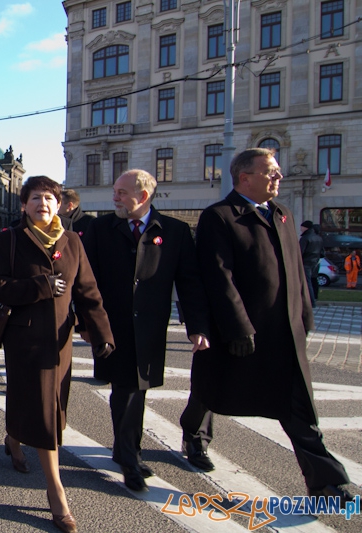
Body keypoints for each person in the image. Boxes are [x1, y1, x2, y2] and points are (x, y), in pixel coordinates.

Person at [185, 147, 351, 503]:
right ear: (245, 177)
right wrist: (237, 327)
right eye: (270, 172)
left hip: (284, 331)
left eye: (277, 172)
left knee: (297, 407)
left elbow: (297, 271)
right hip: (244, 329)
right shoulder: (221, 216)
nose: (278, 177)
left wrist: (305, 313)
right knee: (210, 388)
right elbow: (218, 277)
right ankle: (194, 434)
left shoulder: (282, 214)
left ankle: (324, 480)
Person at [0, 176, 113, 533]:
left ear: (59, 205)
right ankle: (57, 494)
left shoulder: (72, 241)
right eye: (35, 197)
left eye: (49, 198)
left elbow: (87, 290)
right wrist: (38, 287)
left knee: (53, 405)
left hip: (61, 340)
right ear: (23, 205)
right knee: (44, 413)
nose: (43, 203)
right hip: (24, 340)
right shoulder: (10, 239)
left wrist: (101, 331)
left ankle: (13, 437)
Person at [82, 169, 210, 492]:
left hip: (151, 328)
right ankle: (129, 459)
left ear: (143, 196)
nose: (115, 198)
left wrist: (197, 327)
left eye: (121, 193)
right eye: (115, 191)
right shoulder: (100, 228)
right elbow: (86, 280)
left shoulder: (175, 232)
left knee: (137, 389)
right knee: (125, 391)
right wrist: (85, 323)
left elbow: (190, 283)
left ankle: (124, 449)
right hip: (112, 327)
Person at [299, 220, 322, 306]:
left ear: (305, 227)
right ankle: (313, 298)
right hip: (315, 262)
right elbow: (321, 252)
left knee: (307, 282)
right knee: (312, 281)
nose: (301, 229)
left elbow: (300, 252)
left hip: (306, 262)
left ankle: (311, 301)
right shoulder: (318, 238)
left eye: (302, 227)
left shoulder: (305, 238)